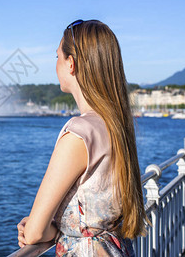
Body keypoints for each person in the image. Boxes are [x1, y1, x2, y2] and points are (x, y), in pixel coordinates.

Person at [16, 20, 150, 256]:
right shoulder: (115, 125)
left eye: (57, 57)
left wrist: (39, 228)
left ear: (71, 63)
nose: (55, 64)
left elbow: (35, 233)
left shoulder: (79, 133)